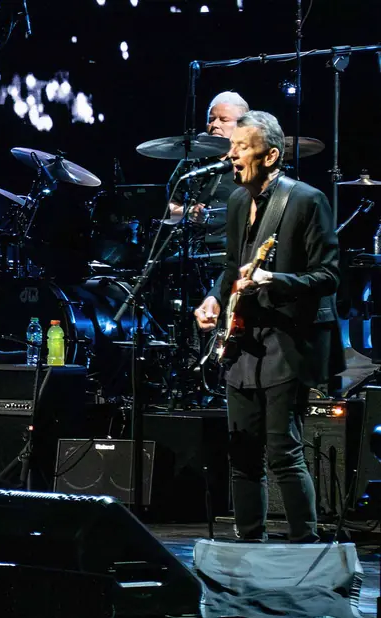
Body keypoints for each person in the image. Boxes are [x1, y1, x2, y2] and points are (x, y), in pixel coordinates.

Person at [194, 110, 343, 542]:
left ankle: (304, 547)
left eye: (242, 148)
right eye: (232, 147)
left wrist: (274, 280)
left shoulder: (306, 200)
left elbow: (329, 276)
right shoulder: (239, 201)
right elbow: (228, 269)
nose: (232, 156)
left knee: (282, 451)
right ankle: (249, 543)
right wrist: (212, 300)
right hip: (244, 341)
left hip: (288, 340)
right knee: (242, 452)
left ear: (272, 155)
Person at [168, 91, 250, 251]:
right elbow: (171, 208)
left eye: (224, 120)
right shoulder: (191, 161)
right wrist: (189, 213)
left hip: (238, 252)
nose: (215, 125)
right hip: (193, 251)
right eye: (211, 120)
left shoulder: (251, 164)